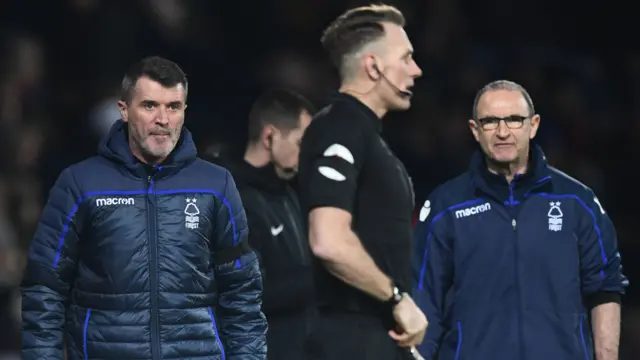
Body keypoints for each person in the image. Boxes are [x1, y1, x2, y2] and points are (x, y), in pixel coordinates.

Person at [21, 56, 267, 360]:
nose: (163, 119)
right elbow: (44, 288)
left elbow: (242, 292)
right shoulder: (80, 184)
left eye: (173, 107)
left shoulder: (216, 185)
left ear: (184, 112)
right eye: (149, 105)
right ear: (123, 110)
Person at [413, 80, 628, 360]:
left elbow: (606, 288)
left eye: (514, 120)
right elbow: (423, 301)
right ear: (475, 130)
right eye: (490, 122)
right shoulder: (446, 206)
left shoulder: (577, 202)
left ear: (534, 125)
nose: (502, 132)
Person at [297, 4, 427, 360]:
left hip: (373, 337)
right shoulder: (341, 127)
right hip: (351, 339)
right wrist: (397, 298)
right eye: (406, 58)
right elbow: (328, 240)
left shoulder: (364, 135)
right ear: (373, 66)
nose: (416, 70)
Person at [208, 88, 315, 360]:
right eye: (302, 143)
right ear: (270, 136)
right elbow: (249, 292)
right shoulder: (232, 200)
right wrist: (325, 276)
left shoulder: (289, 193)